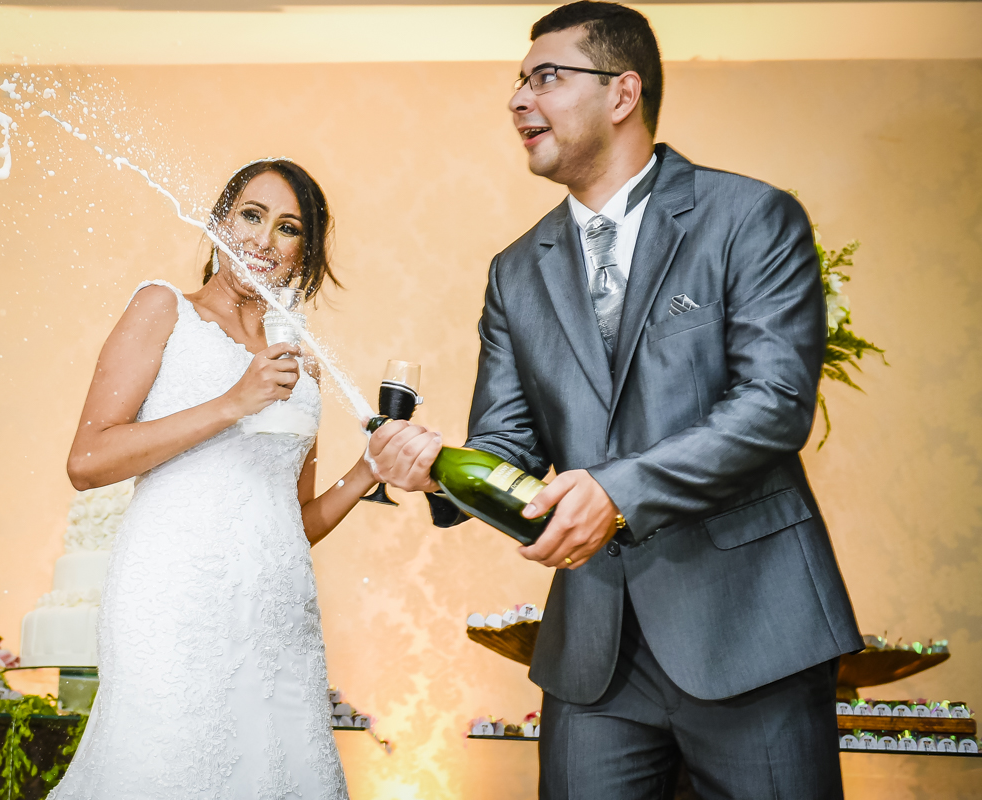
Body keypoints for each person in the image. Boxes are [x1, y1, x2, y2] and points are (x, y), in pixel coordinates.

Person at [369, 3, 862, 797]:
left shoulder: (749, 217)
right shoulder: (515, 271)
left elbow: (772, 403)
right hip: (592, 660)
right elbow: (508, 451)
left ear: (623, 92)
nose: (519, 99)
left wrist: (617, 491)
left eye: (546, 77)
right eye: (519, 81)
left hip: (752, 632)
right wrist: (439, 469)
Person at [52, 159, 373, 799]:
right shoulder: (163, 309)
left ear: (302, 255)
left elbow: (295, 521)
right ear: (220, 222)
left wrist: (368, 472)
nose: (262, 239)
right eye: (250, 215)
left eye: (287, 229)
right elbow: (87, 462)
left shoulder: (300, 366)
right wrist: (233, 401)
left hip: (279, 611)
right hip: (174, 598)